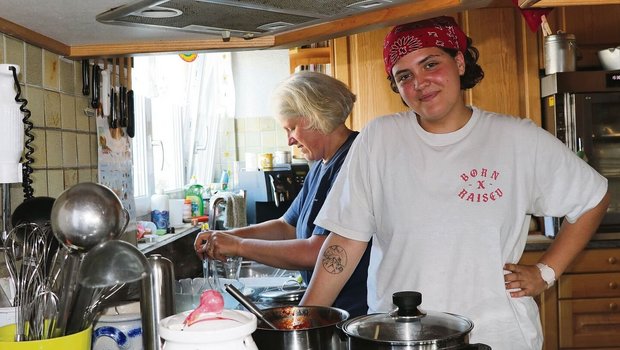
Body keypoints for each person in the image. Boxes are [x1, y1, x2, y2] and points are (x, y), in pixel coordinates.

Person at [299, 16, 610, 348]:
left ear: (460, 62)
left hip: (496, 335)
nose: (420, 83)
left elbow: (594, 197)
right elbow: (345, 240)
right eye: (405, 76)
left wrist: (545, 272)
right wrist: (304, 326)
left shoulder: (516, 138)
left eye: (430, 64)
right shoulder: (380, 138)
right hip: (398, 336)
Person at [194, 71, 372, 317]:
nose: (289, 140)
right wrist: (225, 236)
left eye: (292, 128)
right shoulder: (321, 165)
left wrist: (239, 246)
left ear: (315, 117)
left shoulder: (353, 160)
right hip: (330, 308)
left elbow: (316, 252)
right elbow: (286, 226)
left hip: (352, 312)